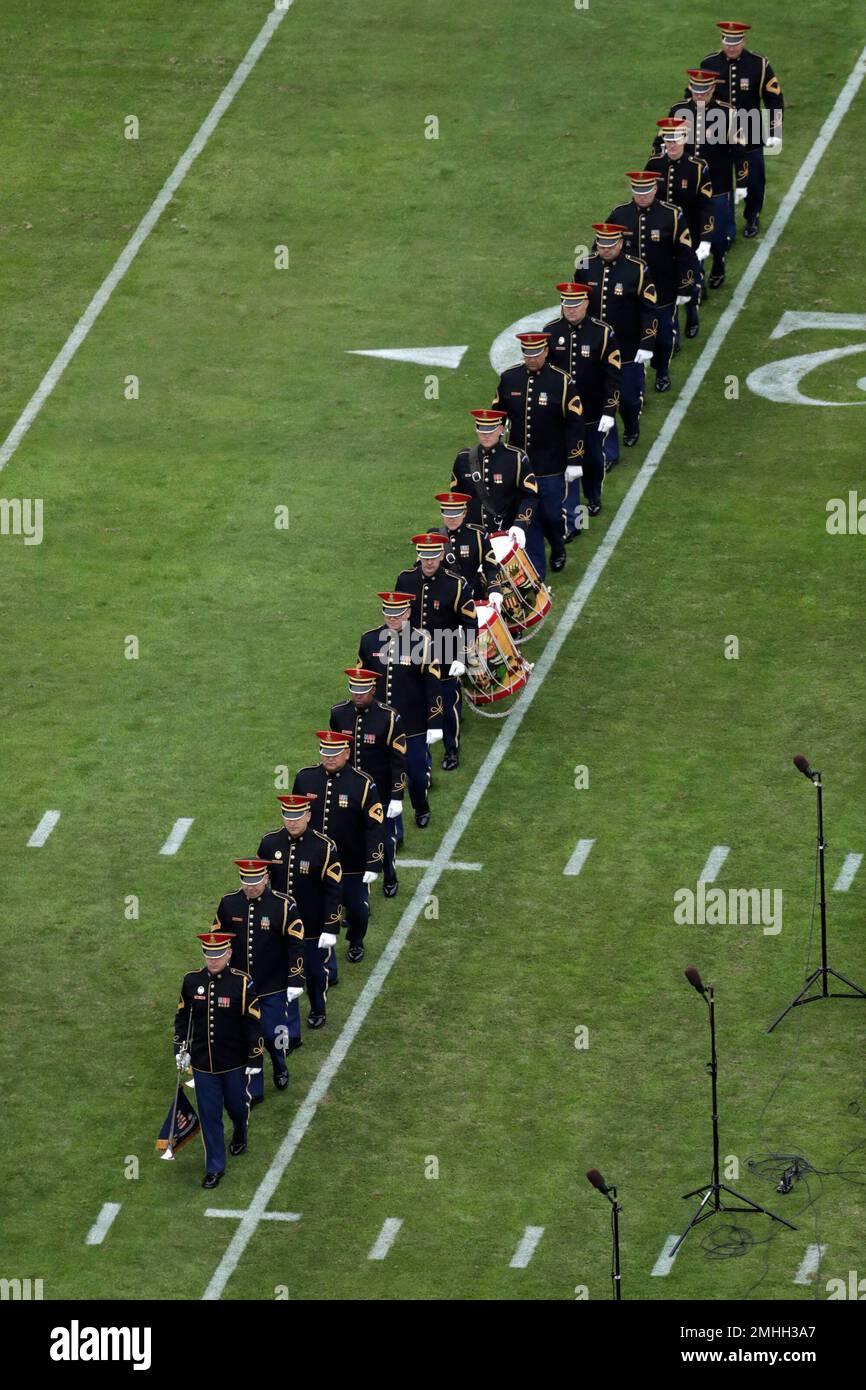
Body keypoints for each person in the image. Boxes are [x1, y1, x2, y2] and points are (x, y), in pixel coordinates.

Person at [173, 931, 263, 1189]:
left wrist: (255, 1059)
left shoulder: (242, 983)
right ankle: (214, 1166)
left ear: (229, 954)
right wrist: (180, 1049)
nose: (213, 960)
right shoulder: (191, 981)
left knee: (236, 1107)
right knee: (209, 1115)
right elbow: (183, 1019)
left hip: (234, 1063)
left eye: (218, 955)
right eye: (209, 955)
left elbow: (253, 1023)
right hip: (203, 1064)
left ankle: (240, 1131)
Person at [492, 333, 585, 576]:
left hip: (551, 465)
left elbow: (575, 423)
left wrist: (575, 459)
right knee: (526, 519)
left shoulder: (561, 382)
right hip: (520, 468)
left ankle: (557, 545)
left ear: (545, 352)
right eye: (527, 354)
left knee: (553, 516)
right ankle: (535, 570)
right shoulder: (510, 378)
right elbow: (497, 417)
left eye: (535, 354)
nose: (531, 359)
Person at [212, 859, 305, 1093]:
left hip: (273, 984)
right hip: (240, 986)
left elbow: (296, 943)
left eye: (255, 881)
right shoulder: (228, 903)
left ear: (265, 878)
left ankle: (280, 1064)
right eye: (246, 881)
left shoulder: (283, 905)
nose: (250, 887)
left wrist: (295, 978)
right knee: (246, 1037)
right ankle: (254, 1090)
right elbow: (218, 941)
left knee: (274, 1032)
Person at [292, 731, 385, 964]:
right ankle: (321, 961)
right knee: (316, 911)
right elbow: (295, 817)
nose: (330, 758)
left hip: (351, 862)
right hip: (314, 861)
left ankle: (355, 940)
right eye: (325, 753)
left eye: (335, 753)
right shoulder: (305, 778)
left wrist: (374, 862)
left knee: (357, 910)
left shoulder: (363, 783)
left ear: (347, 753)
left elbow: (374, 826)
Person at [357, 592, 443, 831]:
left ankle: (421, 806)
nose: (392, 619)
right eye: (388, 614)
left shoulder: (421, 642)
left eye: (397, 614)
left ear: (407, 613)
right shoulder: (369, 640)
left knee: (416, 774)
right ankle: (393, 831)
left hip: (412, 724)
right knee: (384, 778)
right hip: (381, 724)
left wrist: (435, 721)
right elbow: (362, 681)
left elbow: (432, 682)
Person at [606, 172, 696, 393]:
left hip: (662, 288)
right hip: (627, 292)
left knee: (663, 337)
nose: (642, 196)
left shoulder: (671, 215)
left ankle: (662, 371)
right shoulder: (619, 215)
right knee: (629, 338)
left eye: (646, 191)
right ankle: (636, 381)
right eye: (638, 192)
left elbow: (685, 253)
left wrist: (685, 285)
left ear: (655, 189)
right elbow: (601, 249)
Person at [394, 533, 477, 772]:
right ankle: (422, 760)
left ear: (441, 555)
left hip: (445, 653)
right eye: (424, 557)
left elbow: (470, 623)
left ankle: (452, 749)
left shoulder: (456, 584)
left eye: (433, 557)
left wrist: (463, 656)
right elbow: (398, 617)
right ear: (418, 555)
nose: (428, 562)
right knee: (413, 706)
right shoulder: (405, 580)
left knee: (447, 705)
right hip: (413, 654)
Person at [258, 796, 343, 1030]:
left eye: (297, 817)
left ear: (308, 815)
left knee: (315, 972)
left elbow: (333, 890)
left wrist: (330, 926)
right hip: (280, 925)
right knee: (283, 973)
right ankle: (288, 1023)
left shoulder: (324, 847)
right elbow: (262, 884)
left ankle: (318, 1008)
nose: (292, 822)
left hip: (313, 924)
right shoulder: (269, 843)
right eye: (288, 816)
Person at [698, 20, 784, 239]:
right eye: (727, 41)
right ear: (722, 40)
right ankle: (726, 228)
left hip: (751, 131)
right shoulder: (709, 64)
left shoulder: (759, 64)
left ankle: (752, 216)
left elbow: (774, 99)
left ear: (743, 40)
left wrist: (775, 131)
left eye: (736, 42)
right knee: (722, 183)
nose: (731, 46)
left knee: (755, 179)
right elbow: (695, 96)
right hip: (718, 133)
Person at [544, 283, 621, 518]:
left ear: (586, 304)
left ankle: (594, 495)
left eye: (576, 305)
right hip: (561, 415)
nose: (571, 310)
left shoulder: (602, 332)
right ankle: (572, 512)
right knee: (568, 462)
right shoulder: (550, 332)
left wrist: (609, 410)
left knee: (593, 459)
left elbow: (613, 373)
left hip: (593, 410)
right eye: (566, 305)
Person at [655, 70, 737, 288]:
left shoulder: (727, 112)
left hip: (718, 182)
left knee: (716, 231)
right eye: (696, 91)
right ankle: (694, 278)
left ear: (712, 89)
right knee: (688, 232)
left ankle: (718, 265)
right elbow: (659, 143)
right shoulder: (678, 110)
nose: (699, 96)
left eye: (704, 91)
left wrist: (742, 181)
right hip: (687, 181)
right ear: (690, 88)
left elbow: (738, 148)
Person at [330, 667, 407, 898]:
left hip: (380, 791)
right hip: (349, 792)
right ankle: (358, 896)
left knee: (384, 839)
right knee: (352, 845)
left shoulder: (388, 716)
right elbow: (334, 752)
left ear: (373, 689)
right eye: (354, 689)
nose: (358, 694)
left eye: (363, 690)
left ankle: (390, 875)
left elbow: (397, 758)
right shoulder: (338, 713)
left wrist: (397, 795)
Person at [583, 223, 658, 454]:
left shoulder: (637, 269)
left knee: (628, 399)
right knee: (602, 402)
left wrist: (646, 342)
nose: (604, 250)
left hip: (627, 345)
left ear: (621, 243)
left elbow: (649, 307)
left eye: (610, 245)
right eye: (601, 245)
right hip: (596, 347)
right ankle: (610, 451)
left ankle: (632, 425)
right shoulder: (585, 265)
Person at [646, 119, 713, 340]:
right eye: (668, 139)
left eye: (676, 139)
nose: (672, 144)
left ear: (685, 139)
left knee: (689, 279)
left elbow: (705, 205)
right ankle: (672, 334)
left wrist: (705, 238)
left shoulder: (697, 167)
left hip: (689, 234)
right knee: (666, 284)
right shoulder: (654, 165)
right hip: (662, 237)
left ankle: (692, 313)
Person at [450, 410, 538, 542]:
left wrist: (520, 524)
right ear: (476, 430)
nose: (486, 435)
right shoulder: (463, 458)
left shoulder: (516, 458)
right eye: (482, 431)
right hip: (473, 536)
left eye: (491, 431)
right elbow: (456, 499)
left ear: (501, 429)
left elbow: (530, 496)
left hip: (507, 533)